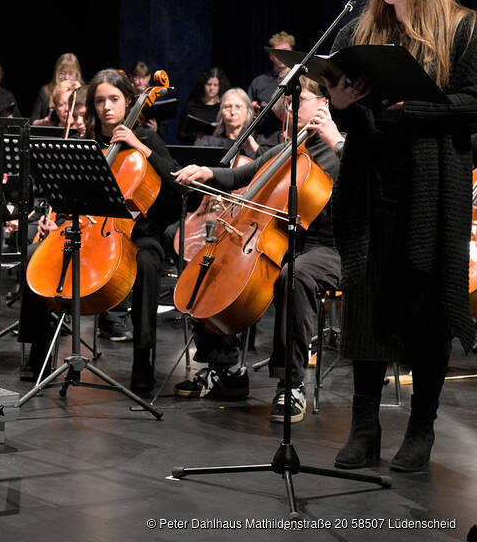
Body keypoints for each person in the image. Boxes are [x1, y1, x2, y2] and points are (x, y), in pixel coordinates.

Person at [326, 0, 477, 473]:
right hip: (373, 186)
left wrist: (412, 108)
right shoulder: (360, 31)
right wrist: (340, 103)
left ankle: (421, 428)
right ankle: (364, 427)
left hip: (432, 191)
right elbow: (348, 104)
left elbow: (472, 101)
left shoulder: (463, 30)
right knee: (367, 303)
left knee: (424, 311)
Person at [172, 75, 344, 421]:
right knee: (214, 263)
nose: (290, 108)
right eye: (288, 103)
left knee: (293, 278)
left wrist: (336, 141)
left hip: (331, 246)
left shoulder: (344, 147)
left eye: (300, 101)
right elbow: (243, 176)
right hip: (283, 241)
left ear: (324, 104)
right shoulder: (289, 148)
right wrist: (206, 172)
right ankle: (225, 370)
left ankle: (290, 384)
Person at [19, 69, 178, 391]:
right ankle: (39, 353)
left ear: (129, 102)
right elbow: (67, 194)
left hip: (139, 233)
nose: (107, 107)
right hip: (90, 230)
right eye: (100, 101)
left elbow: (176, 185)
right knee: (35, 254)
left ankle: (142, 359)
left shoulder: (147, 140)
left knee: (147, 264)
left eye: (114, 100)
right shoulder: (86, 144)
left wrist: (140, 146)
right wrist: (57, 219)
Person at [248, 31, 295, 138]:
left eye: (285, 51)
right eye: (277, 52)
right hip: (264, 137)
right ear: (271, 56)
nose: (281, 55)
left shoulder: (302, 80)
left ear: (292, 52)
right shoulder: (258, 82)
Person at [193, 87, 260, 157]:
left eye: (238, 107)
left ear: (247, 111)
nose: (233, 112)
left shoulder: (258, 142)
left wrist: (257, 149)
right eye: (228, 107)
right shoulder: (206, 142)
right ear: (221, 111)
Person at [177, 67, 229, 144]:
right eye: (209, 84)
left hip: (219, 148)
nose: (211, 88)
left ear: (220, 86)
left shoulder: (224, 107)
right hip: (196, 149)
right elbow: (180, 135)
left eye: (215, 85)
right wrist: (195, 136)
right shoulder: (192, 106)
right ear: (203, 84)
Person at [30, 52, 83, 121]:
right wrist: (41, 123)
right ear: (56, 73)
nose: (66, 77)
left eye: (70, 73)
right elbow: (33, 120)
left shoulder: (83, 92)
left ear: (77, 74)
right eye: (62, 73)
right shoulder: (46, 91)